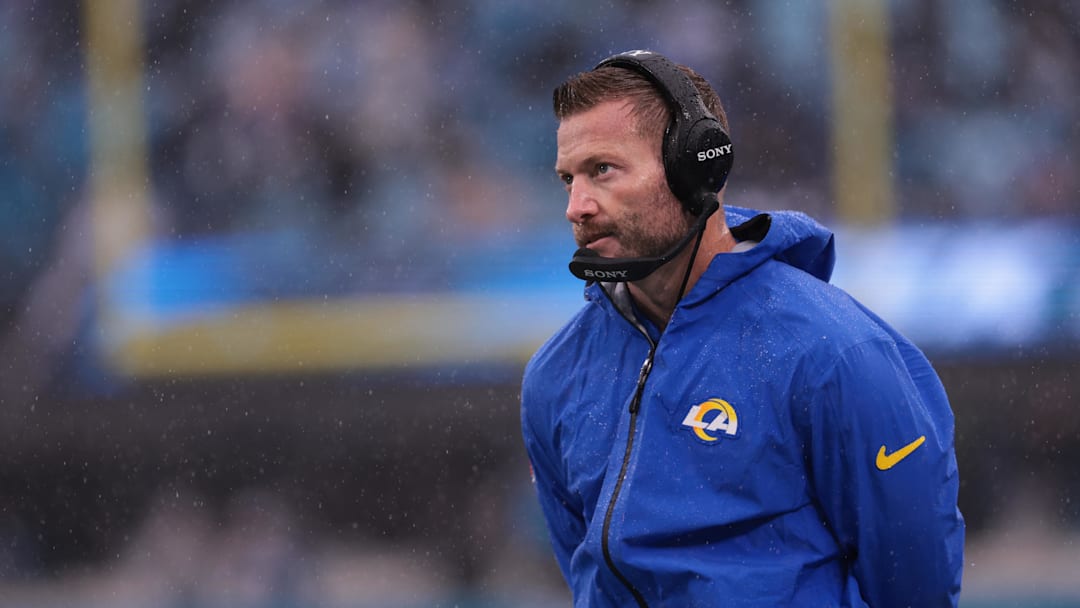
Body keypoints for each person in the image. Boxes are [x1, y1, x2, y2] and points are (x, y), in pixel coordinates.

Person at [519, 49, 964, 607]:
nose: (576, 206)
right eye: (568, 179)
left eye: (603, 170)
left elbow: (914, 584)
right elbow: (585, 570)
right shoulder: (555, 375)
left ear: (697, 167)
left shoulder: (837, 354)